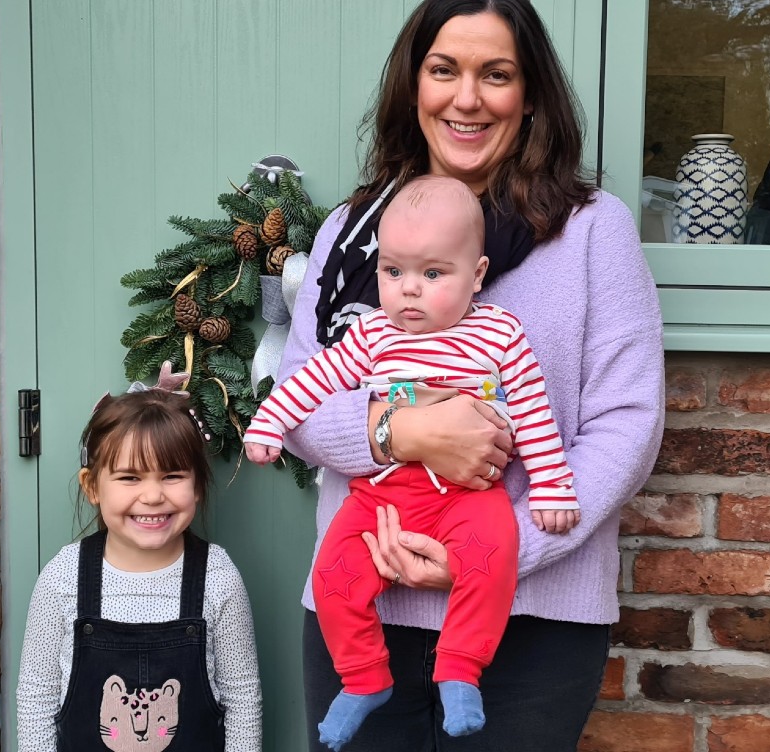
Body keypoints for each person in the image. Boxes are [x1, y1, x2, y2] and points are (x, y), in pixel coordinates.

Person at [275, 0, 665, 752]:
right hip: (363, 609)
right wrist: (403, 432)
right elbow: (298, 399)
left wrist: (494, 550)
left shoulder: (592, 232)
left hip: (534, 617)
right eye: (445, 69)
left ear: (530, 96)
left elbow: (628, 425)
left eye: (497, 74)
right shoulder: (354, 234)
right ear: (413, 84)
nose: (468, 99)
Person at [246, 175, 578, 749]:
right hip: (380, 497)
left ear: (476, 275)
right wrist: (271, 420)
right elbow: (313, 381)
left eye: (432, 274)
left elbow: (532, 412)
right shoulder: (373, 333)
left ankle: (459, 670)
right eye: (393, 271)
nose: (408, 291)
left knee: (491, 556)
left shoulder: (500, 333)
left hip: (469, 497)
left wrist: (550, 486)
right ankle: (363, 678)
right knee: (332, 579)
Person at [15, 381, 262, 752]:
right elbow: (36, 700)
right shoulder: (64, 577)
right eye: (130, 477)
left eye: (172, 476)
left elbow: (242, 701)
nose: (151, 496)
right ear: (92, 486)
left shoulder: (217, 576)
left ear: (197, 485)